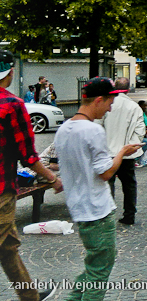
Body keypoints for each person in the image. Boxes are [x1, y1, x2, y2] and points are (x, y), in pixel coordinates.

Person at [55, 77, 143, 301]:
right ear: (98, 100)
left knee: (94, 266)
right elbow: (106, 173)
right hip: (97, 209)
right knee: (100, 271)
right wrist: (122, 152)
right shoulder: (93, 130)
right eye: (110, 103)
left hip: (79, 207)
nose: (110, 108)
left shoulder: (63, 129)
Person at [0, 51, 62, 301]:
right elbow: (27, 156)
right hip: (1, 189)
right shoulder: (11, 105)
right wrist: (53, 178)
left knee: (7, 246)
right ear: (10, 72)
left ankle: (30, 296)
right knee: (5, 243)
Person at [96, 78, 146, 225]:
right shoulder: (134, 107)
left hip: (107, 152)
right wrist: (131, 146)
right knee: (129, 185)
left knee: (108, 184)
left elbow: (97, 126)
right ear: (128, 89)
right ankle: (129, 214)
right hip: (126, 153)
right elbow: (140, 130)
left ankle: (108, 215)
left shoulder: (107, 105)